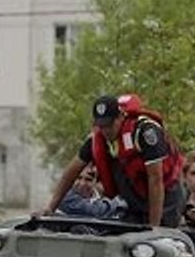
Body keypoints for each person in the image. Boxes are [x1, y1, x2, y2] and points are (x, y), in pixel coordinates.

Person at [39, 94, 185, 227]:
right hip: (135, 199)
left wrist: (154, 227)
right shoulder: (98, 139)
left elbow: (155, 180)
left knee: (155, 243)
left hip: (165, 197)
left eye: (109, 125)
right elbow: (72, 170)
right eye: (101, 126)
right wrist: (50, 207)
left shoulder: (144, 132)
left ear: (121, 117)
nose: (106, 131)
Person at [56, 164, 125, 219]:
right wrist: (118, 202)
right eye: (78, 178)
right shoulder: (64, 196)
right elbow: (97, 211)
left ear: (96, 182)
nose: (82, 184)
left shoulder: (99, 195)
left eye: (88, 180)